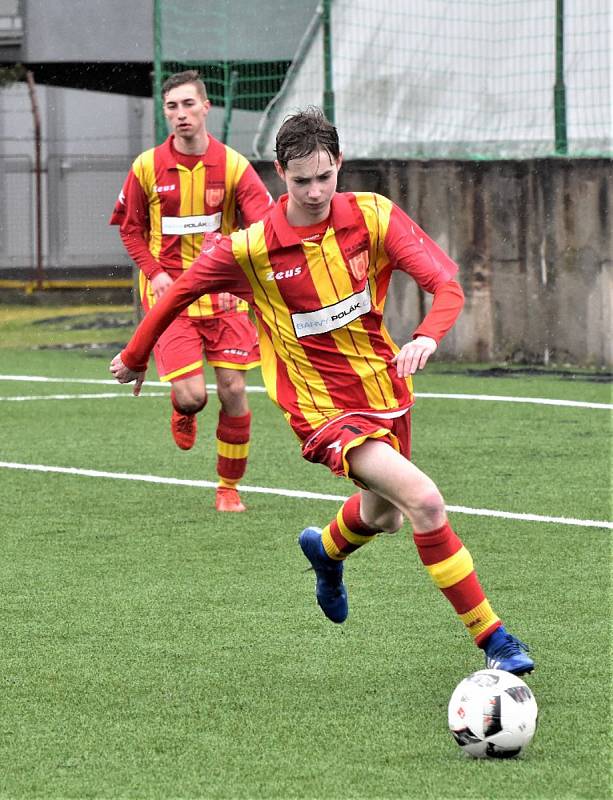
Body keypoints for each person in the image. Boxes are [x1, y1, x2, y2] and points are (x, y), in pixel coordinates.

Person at [110, 107, 534, 675]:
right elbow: (175, 294)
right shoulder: (250, 248)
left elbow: (446, 284)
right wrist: (137, 356)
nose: (314, 191)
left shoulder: (373, 216)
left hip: (386, 390)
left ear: (339, 165)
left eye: (325, 176)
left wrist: (428, 336)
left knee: (384, 517)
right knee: (426, 502)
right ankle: (496, 641)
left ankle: (327, 552)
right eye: (300, 179)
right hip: (320, 409)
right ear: (279, 173)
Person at [110, 70, 273, 512]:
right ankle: (182, 409)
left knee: (234, 390)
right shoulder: (146, 167)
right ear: (165, 113)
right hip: (171, 297)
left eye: (187, 104)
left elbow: (265, 223)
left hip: (224, 296)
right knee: (194, 396)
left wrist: (243, 250)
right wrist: (154, 271)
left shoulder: (234, 166)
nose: (180, 114)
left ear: (206, 108)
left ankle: (228, 488)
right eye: (171, 107)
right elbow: (130, 230)